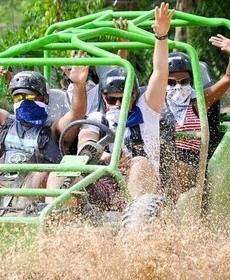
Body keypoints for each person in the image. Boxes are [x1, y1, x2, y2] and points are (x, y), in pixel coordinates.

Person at [0, 47, 89, 215]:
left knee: (43, 170)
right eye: (19, 97)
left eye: (31, 97)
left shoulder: (54, 129)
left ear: (45, 98)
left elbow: (76, 114)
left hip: (31, 193)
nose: (25, 101)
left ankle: (31, 226)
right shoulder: (4, 122)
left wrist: (78, 85)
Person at [60, 2, 174, 208]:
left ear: (134, 96)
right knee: (66, 171)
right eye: (112, 99)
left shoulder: (147, 111)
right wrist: (106, 156)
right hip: (105, 184)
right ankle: (53, 225)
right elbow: (85, 146)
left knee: (138, 163)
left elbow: (160, 73)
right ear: (104, 98)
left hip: (144, 192)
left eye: (123, 99)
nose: (117, 104)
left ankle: (135, 230)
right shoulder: (97, 118)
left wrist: (161, 37)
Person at [161, 35, 230, 198]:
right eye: (171, 83)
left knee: (177, 171)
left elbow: (228, 78)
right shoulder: (154, 104)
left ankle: (169, 213)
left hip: (190, 162)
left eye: (183, 82)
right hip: (161, 160)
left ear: (191, 81)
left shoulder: (198, 102)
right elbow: (122, 92)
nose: (177, 87)